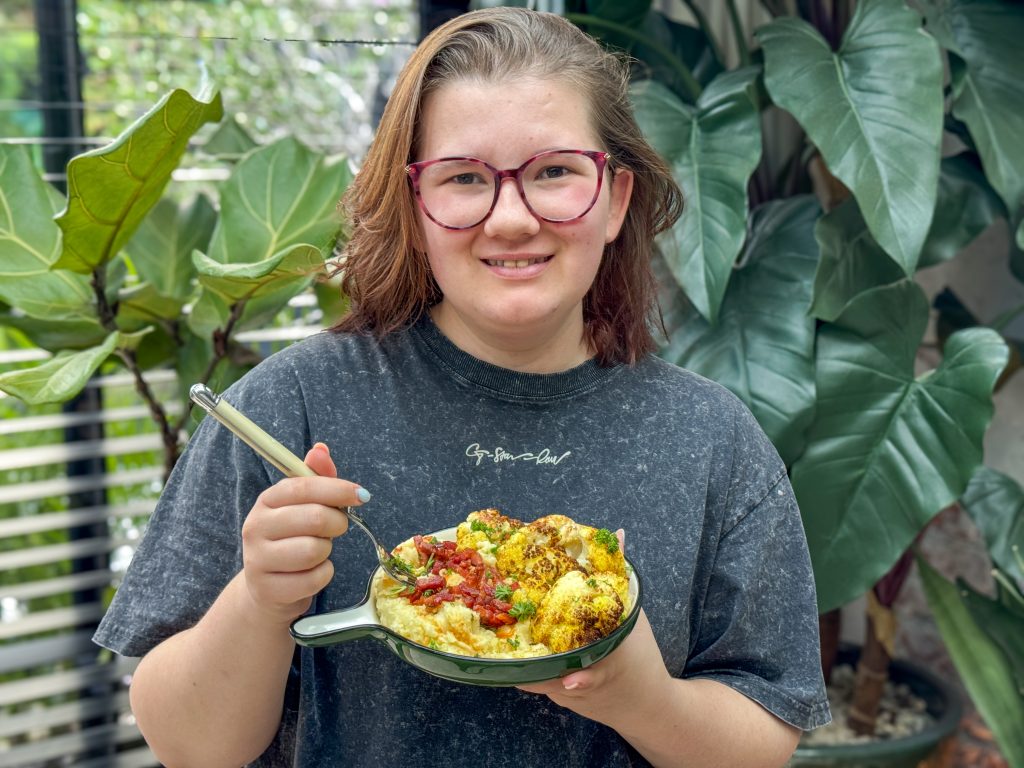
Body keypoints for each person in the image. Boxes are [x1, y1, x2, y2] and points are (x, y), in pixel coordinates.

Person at [94, 7, 830, 767]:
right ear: (415, 211)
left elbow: (767, 734)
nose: (510, 218)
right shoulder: (288, 409)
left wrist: (643, 699)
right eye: (465, 179)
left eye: (553, 172)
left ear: (614, 200)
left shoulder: (709, 439)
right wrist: (259, 600)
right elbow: (186, 745)